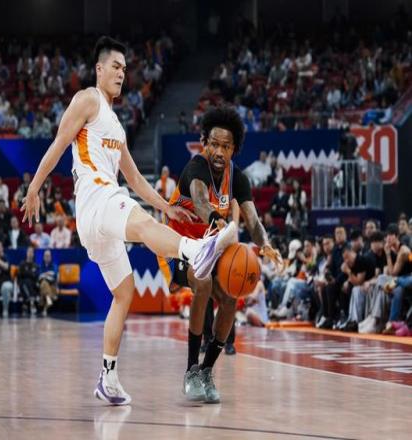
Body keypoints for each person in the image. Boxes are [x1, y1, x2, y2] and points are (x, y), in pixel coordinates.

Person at [21, 36, 238, 406]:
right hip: (95, 199)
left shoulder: (117, 126)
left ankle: (107, 377)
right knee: (139, 222)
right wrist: (34, 187)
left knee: (125, 292)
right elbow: (58, 143)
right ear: (99, 69)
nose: (122, 73)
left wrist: (167, 207)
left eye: (124, 68)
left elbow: (135, 179)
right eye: (115, 67)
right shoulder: (88, 99)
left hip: (99, 222)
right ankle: (195, 250)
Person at [161, 107, 281, 403]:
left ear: (233, 149)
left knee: (230, 298)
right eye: (213, 144)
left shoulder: (237, 178)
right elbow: (201, 201)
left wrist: (265, 244)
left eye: (225, 146)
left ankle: (206, 371)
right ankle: (191, 370)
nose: (218, 151)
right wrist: (217, 220)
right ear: (204, 142)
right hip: (177, 244)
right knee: (202, 283)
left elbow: (252, 220)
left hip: (210, 244)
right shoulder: (195, 168)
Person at [17, 246, 39, 315]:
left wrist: (27, 273)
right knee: (25, 282)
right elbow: (19, 276)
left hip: (32, 285)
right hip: (22, 284)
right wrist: (30, 273)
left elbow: (35, 277)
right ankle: (32, 303)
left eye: (31, 252)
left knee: (28, 282)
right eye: (29, 252)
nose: (30, 253)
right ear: (27, 253)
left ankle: (25, 304)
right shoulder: (22, 264)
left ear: (33, 254)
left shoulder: (36, 265)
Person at [39, 249, 58, 316]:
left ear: (51, 257)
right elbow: (39, 276)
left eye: (48, 256)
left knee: (44, 284)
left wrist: (45, 275)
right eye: (46, 256)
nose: (47, 257)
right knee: (44, 283)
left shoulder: (54, 265)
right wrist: (47, 274)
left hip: (52, 285)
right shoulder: (41, 266)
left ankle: (44, 305)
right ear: (43, 257)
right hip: (44, 285)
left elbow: (54, 275)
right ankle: (47, 301)